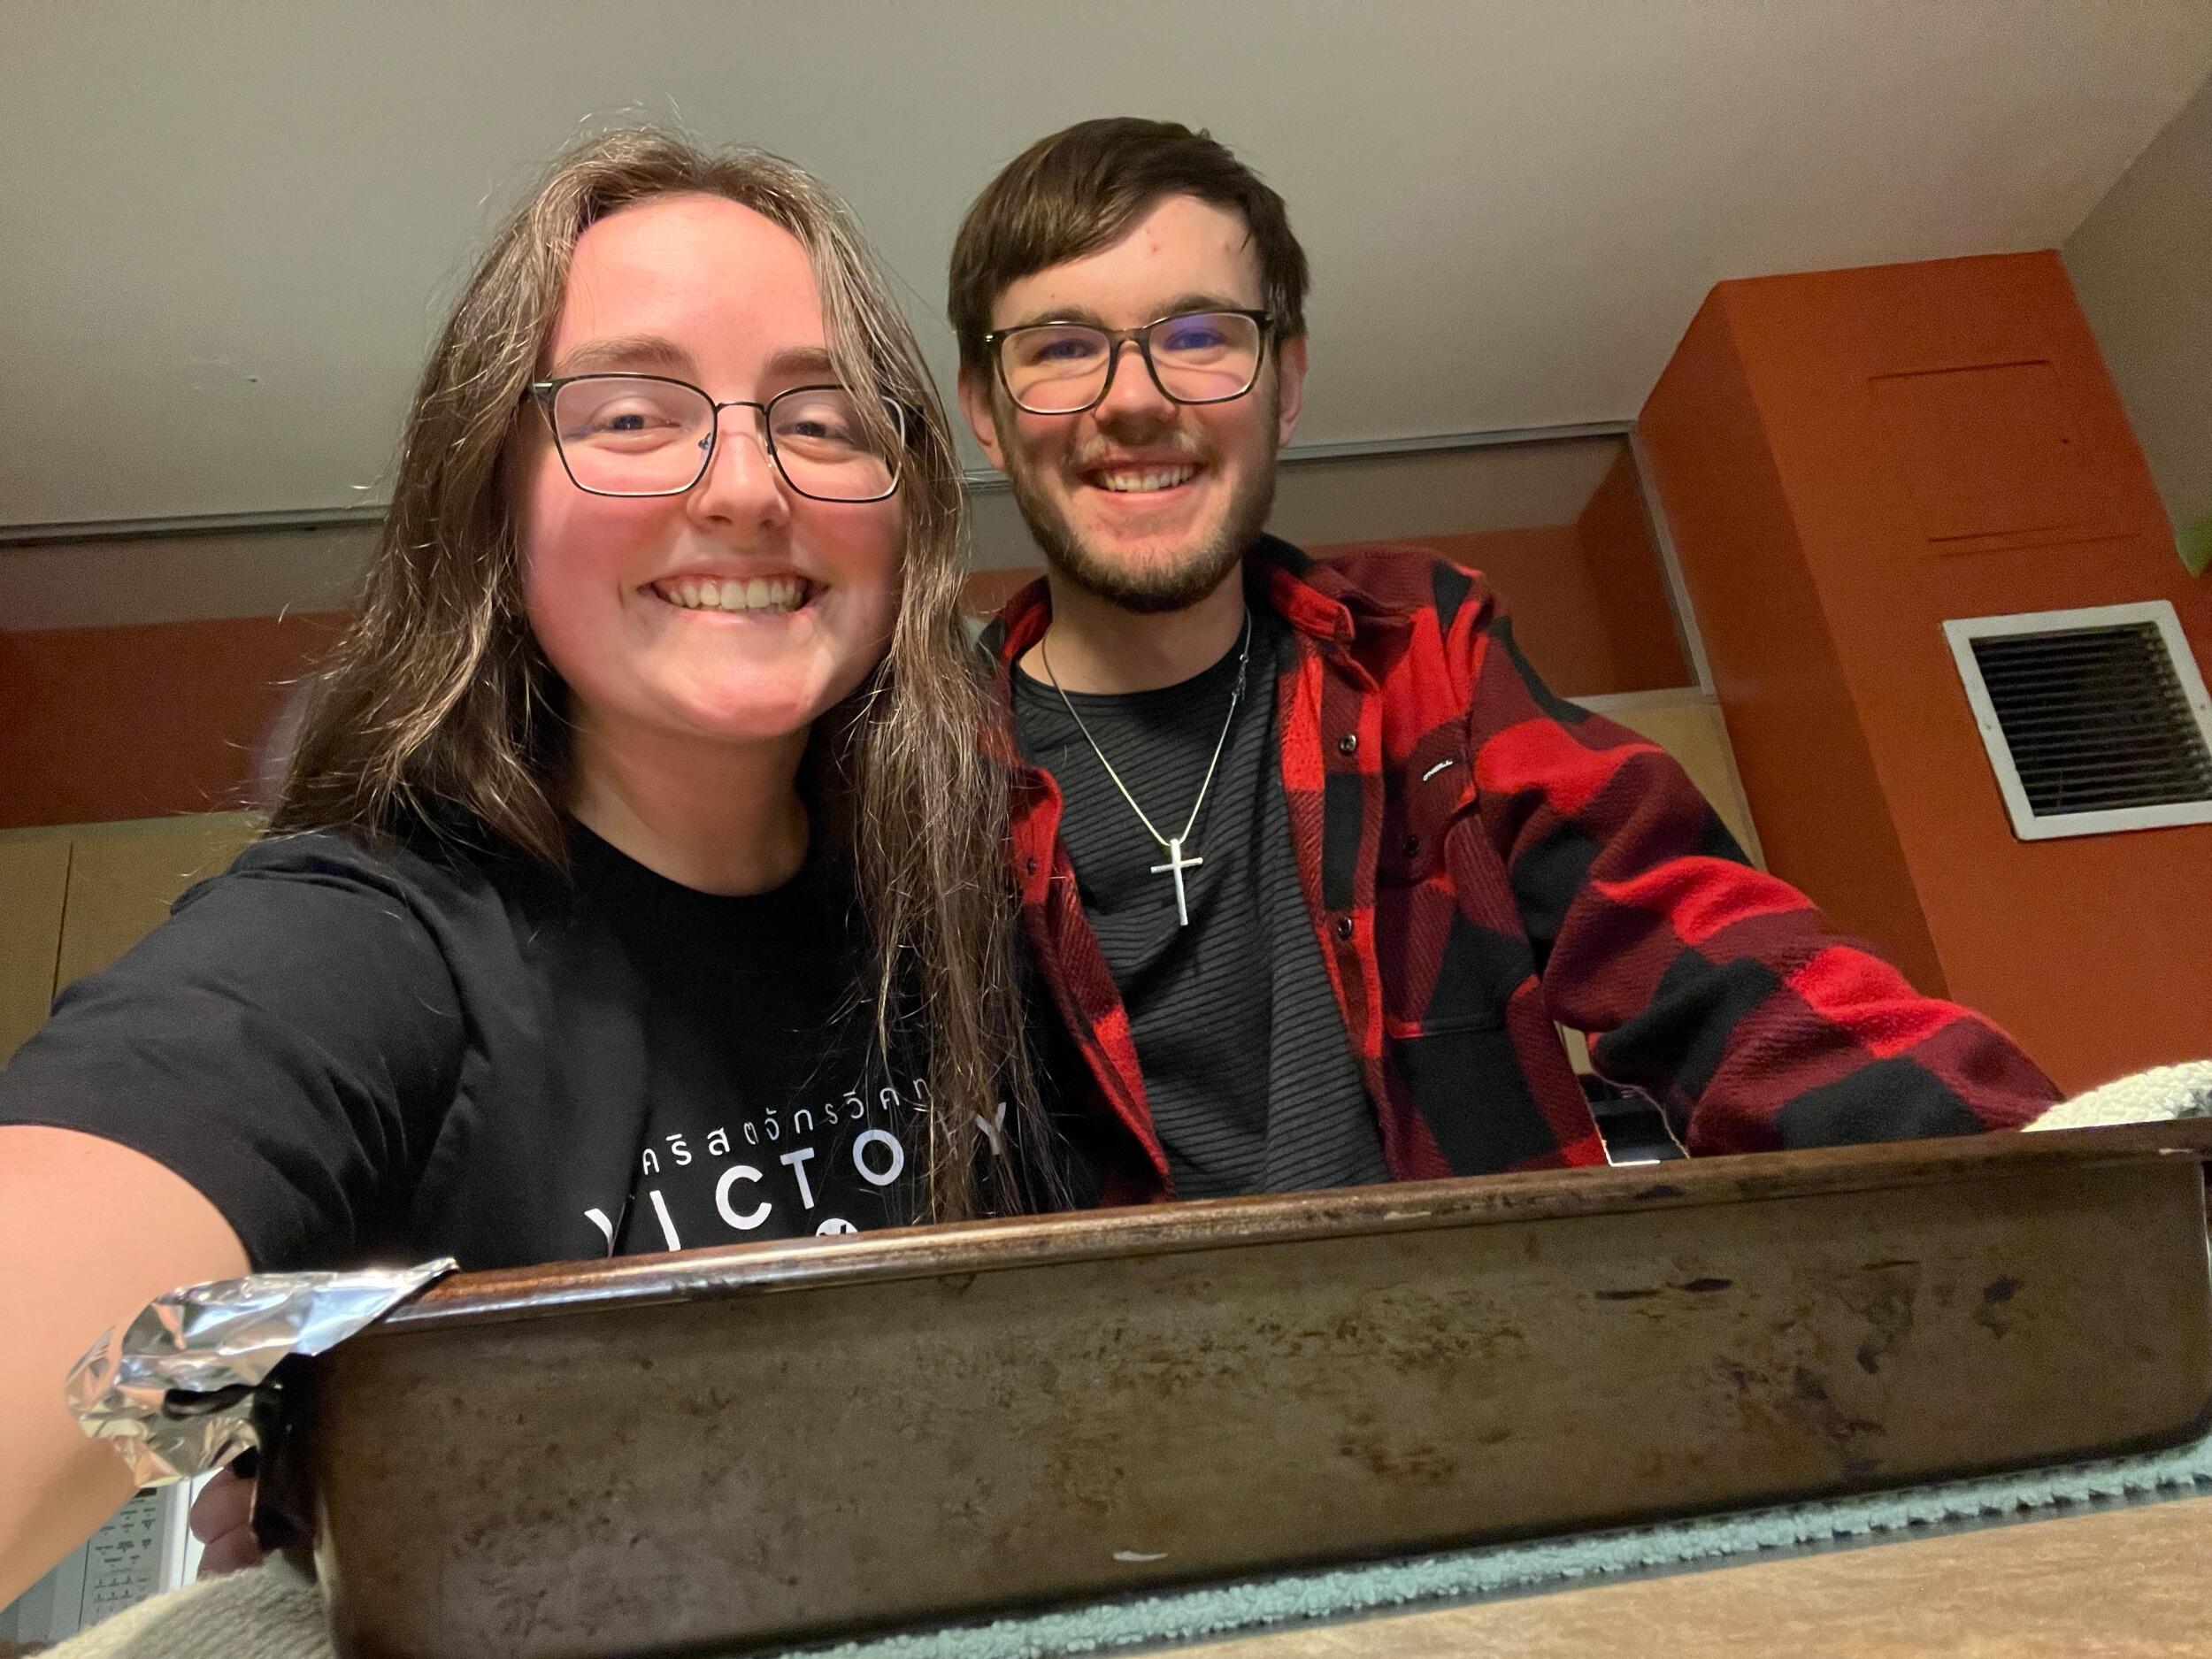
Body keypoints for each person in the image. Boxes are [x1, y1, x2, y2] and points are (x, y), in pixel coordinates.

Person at [0, 130, 1055, 1605]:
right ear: (492, 495)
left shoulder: (987, 893)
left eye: (822, 420)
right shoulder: (367, 946)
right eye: (632, 415)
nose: (749, 485)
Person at [948, 118, 2061, 1205]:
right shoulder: (919, 764)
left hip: (1493, 1372)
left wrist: (2050, 1178)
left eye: (1198, 338)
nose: (1134, 398)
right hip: (1114, 1386)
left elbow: (1701, 944)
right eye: (1060, 348)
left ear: (1284, 386)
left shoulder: (1420, 650)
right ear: (985, 415)